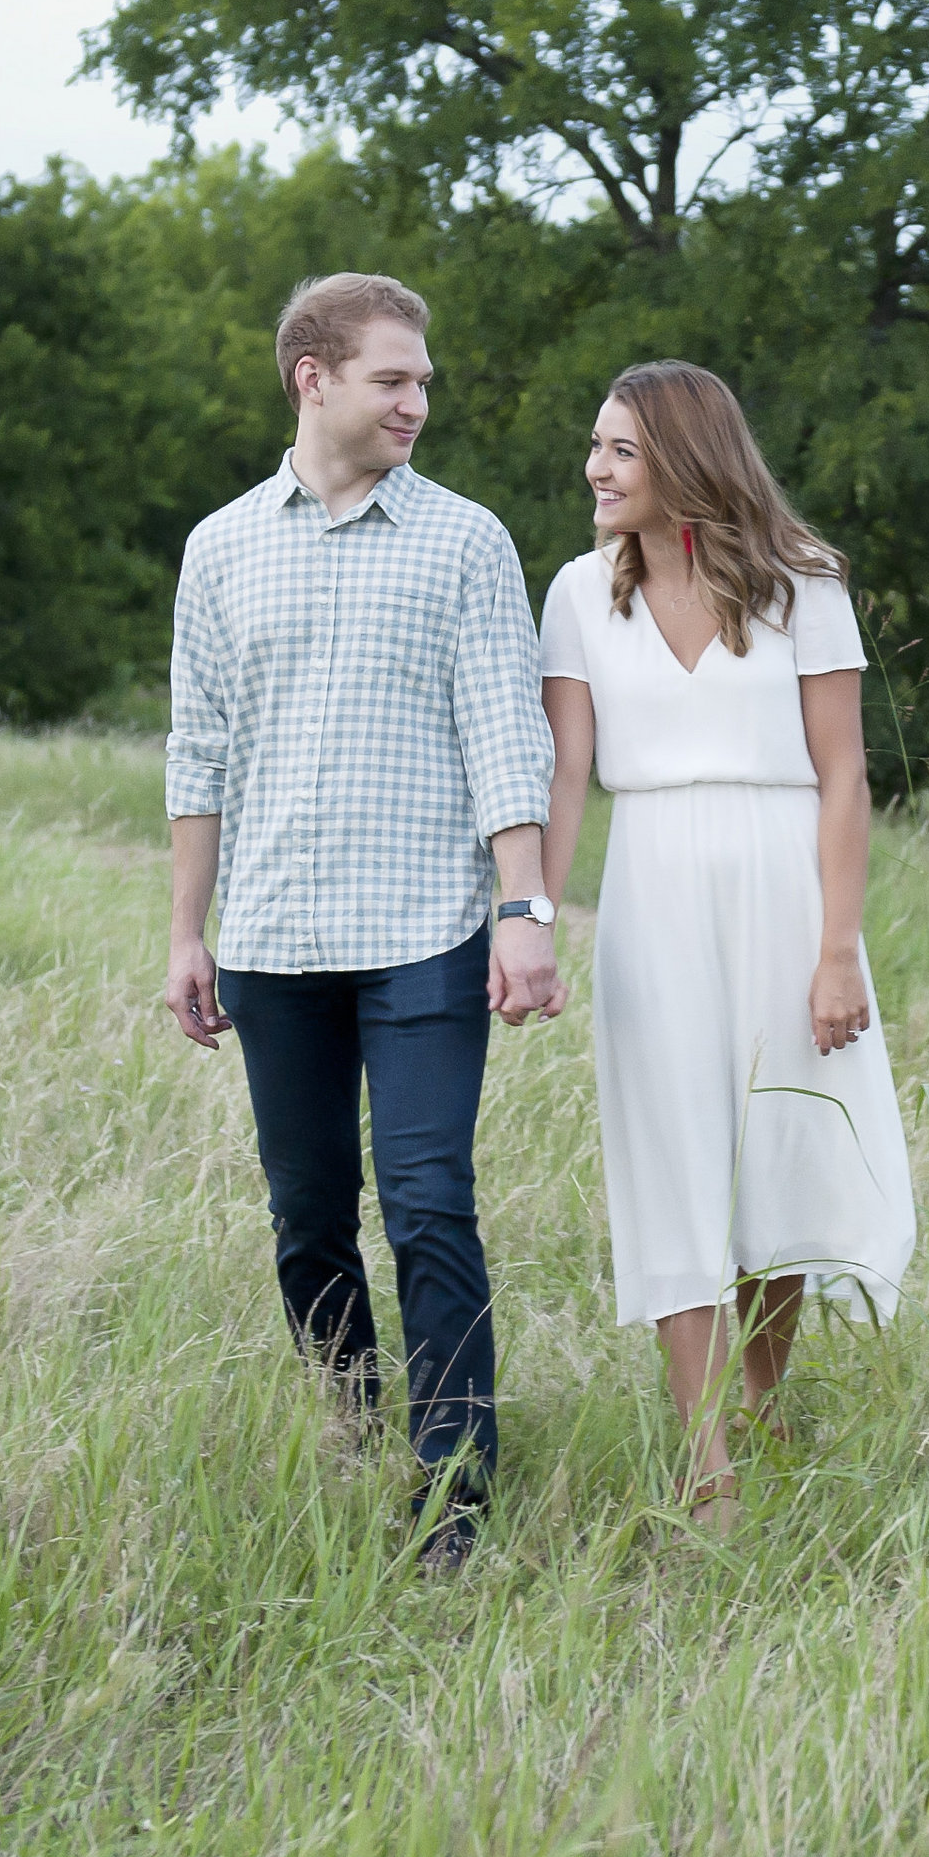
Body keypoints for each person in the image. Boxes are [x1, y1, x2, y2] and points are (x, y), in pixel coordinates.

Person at [163, 273, 563, 1572]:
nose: (418, 401)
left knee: (431, 1201)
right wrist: (187, 931)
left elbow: (510, 735)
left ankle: (455, 1496)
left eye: (426, 381)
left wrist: (522, 907)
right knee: (310, 1214)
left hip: (428, 930)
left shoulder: (464, 541)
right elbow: (197, 752)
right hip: (274, 939)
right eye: (394, 378)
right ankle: (353, 1426)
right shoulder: (219, 546)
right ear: (312, 377)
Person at [538, 361, 916, 1534]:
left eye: (619, 452)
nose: (594, 470)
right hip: (651, 892)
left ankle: (759, 1404)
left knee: (781, 1154)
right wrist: (532, 923)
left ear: (685, 461)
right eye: (595, 447)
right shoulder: (574, 592)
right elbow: (563, 776)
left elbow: (846, 772)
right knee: (672, 1162)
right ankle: (707, 1464)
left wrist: (838, 949)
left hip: (783, 890)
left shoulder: (801, 585)